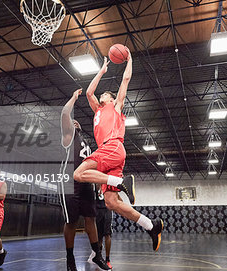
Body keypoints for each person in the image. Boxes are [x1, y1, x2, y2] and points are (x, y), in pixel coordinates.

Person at [73, 52, 163, 251]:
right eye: (103, 94)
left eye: (106, 94)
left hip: (112, 146)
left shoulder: (116, 106)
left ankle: (121, 182)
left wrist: (129, 60)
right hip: (111, 154)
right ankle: (151, 226)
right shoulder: (98, 110)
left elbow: (126, 79)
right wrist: (101, 71)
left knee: (78, 174)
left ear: (112, 99)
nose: (103, 95)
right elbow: (89, 93)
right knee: (112, 202)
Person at [60, 89, 111, 271]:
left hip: (87, 183)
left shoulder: (86, 143)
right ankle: (70, 259)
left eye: (77, 122)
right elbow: (65, 113)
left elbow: (93, 164)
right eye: (72, 123)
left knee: (91, 218)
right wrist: (73, 97)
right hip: (70, 181)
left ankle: (97, 254)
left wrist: (98, 184)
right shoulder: (69, 136)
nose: (74, 122)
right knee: (72, 221)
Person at [88, 184, 113, 269]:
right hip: (97, 210)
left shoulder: (108, 181)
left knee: (107, 234)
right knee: (98, 237)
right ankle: (99, 257)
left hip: (107, 209)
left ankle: (107, 259)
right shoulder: (94, 182)